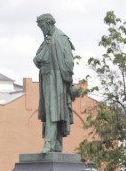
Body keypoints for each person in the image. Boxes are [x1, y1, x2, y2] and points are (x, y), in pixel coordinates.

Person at [33, 13, 77, 152]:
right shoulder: (47, 40)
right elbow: (36, 60)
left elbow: (68, 61)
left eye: (43, 26)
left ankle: (49, 143)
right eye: (40, 27)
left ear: (49, 23)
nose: (42, 30)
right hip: (46, 78)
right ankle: (56, 144)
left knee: (54, 111)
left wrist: (68, 80)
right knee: (50, 111)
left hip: (57, 79)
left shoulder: (61, 38)